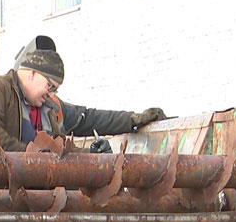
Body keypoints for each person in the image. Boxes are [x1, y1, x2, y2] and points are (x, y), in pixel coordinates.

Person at [13, 35, 167, 142]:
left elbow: (91, 119)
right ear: (30, 73)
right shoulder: (6, 102)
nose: (50, 92)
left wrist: (132, 119)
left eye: (53, 87)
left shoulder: (55, 107)